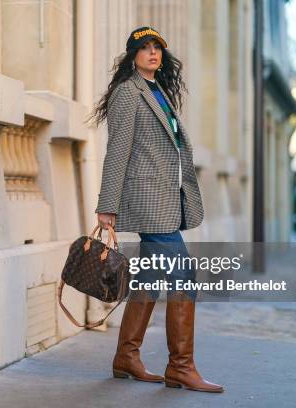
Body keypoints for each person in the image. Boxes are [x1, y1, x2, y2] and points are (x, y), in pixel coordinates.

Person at [89, 26, 223, 393]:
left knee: (149, 280)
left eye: (157, 48)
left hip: (166, 197)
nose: (152, 53)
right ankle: (181, 366)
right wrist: (107, 205)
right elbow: (118, 150)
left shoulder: (158, 91)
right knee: (183, 276)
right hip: (147, 200)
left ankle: (126, 357)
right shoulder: (127, 93)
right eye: (144, 48)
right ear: (132, 55)